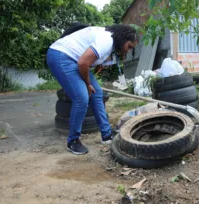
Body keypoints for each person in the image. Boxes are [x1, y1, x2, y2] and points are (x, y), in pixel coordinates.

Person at [47, 24, 138, 155]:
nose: (129, 50)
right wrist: (87, 83)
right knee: (81, 97)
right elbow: (83, 63)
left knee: (97, 93)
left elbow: (89, 61)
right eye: (129, 46)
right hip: (61, 56)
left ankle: (106, 135)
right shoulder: (107, 40)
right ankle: (73, 141)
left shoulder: (110, 44)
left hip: (75, 59)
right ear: (123, 39)